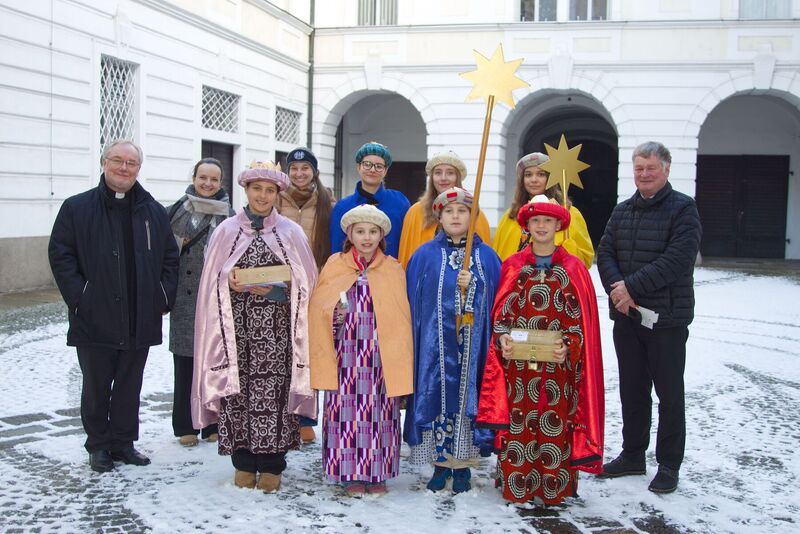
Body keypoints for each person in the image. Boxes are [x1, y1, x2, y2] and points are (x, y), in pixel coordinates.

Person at [48, 139, 179, 473]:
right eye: (117, 160)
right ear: (103, 162)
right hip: (95, 315)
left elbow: (169, 257)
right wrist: (81, 297)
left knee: (129, 385)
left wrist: (162, 297)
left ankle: (123, 442)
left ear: (138, 168)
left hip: (139, 315)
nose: (124, 168)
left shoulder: (152, 211)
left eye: (131, 163)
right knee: (96, 385)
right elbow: (61, 256)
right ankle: (98, 446)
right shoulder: (76, 208)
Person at [191, 160, 318, 492]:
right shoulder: (226, 231)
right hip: (237, 332)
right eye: (257, 189)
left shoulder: (291, 232)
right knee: (239, 394)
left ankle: (273, 464)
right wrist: (229, 284)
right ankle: (244, 462)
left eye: (270, 190)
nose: (263, 196)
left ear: (278, 193)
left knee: (273, 396)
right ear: (246, 190)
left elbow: (307, 283)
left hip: (277, 334)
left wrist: (278, 289)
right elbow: (210, 283)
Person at [477, 195, 604, 505]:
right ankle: (517, 484)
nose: (542, 226)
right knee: (518, 424)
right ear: (527, 226)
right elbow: (500, 315)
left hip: (558, 370)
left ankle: (551, 488)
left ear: (559, 225)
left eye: (548, 221)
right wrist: (503, 338)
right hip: (519, 370)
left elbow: (581, 322)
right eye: (536, 221)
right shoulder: (513, 265)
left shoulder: (573, 268)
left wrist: (569, 346)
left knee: (555, 423)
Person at [596, 141, 701, 494]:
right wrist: (617, 289)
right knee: (632, 389)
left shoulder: (684, 209)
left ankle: (669, 464)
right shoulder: (622, 210)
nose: (643, 175)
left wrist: (629, 288)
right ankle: (632, 454)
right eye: (638, 168)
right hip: (627, 318)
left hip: (666, 319)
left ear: (666, 169)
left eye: (650, 168)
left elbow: (677, 260)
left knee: (669, 394)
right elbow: (605, 251)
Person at [309, 204, 413, 495]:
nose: (366, 237)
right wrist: (333, 316)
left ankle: (377, 473)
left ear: (381, 235)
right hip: (345, 354)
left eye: (373, 231)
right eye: (360, 231)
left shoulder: (393, 268)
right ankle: (350, 473)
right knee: (346, 415)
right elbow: (318, 307)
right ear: (349, 234)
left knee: (379, 414)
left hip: (381, 357)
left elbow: (401, 314)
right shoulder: (335, 264)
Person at [404, 187, 500, 494]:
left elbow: (496, 301)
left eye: (463, 211)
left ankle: (463, 467)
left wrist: (475, 285)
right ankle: (440, 463)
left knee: (465, 400)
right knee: (439, 401)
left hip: (472, 347)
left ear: (473, 217)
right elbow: (414, 301)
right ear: (439, 217)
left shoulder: (486, 256)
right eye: (450, 212)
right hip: (436, 349)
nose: (456, 217)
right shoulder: (425, 255)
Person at [167, 158, 233, 448]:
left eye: (214, 179)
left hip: (217, 300)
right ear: (193, 177)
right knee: (184, 364)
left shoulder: (230, 216)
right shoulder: (175, 211)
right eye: (202, 177)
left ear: (221, 182)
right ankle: (185, 424)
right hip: (184, 297)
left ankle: (213, 423)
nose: (207, 184)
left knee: (216, 363)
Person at [275, 146, 335, 444]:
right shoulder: (274, 199)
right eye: (294, 169)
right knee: (280, 355)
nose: (299, 173)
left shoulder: (327, 203)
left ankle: (305, 420)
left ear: (314, 171)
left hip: (314, 288)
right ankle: (280, 416)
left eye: (305, 168)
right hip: (279, 288)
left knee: (309, 355)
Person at [493, 152, 594, 268]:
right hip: (516, 283)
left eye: (541, 174)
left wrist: (569, 249)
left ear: (550, 178)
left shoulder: (570, 213)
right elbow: (497, 259)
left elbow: (586, 260)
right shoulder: (510, 216)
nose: (534, 180)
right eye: (528, 175)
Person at [397, 152, 492, 268]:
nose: (443, 178)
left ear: (458, 177)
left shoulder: (475, 214)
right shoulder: (415, 212)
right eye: (438, 173)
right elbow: (407, 258)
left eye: (450, 173)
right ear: (432, 178)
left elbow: (485, 262)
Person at [329, 142, 410, 259]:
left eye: (379, 166)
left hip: (391, 273)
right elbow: (337, 251)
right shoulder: (343, 207)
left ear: (385, 170)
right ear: (358, 167)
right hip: (352, 275)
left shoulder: (399, 202)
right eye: (367, 164)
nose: (372, 170)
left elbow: (406, 242)